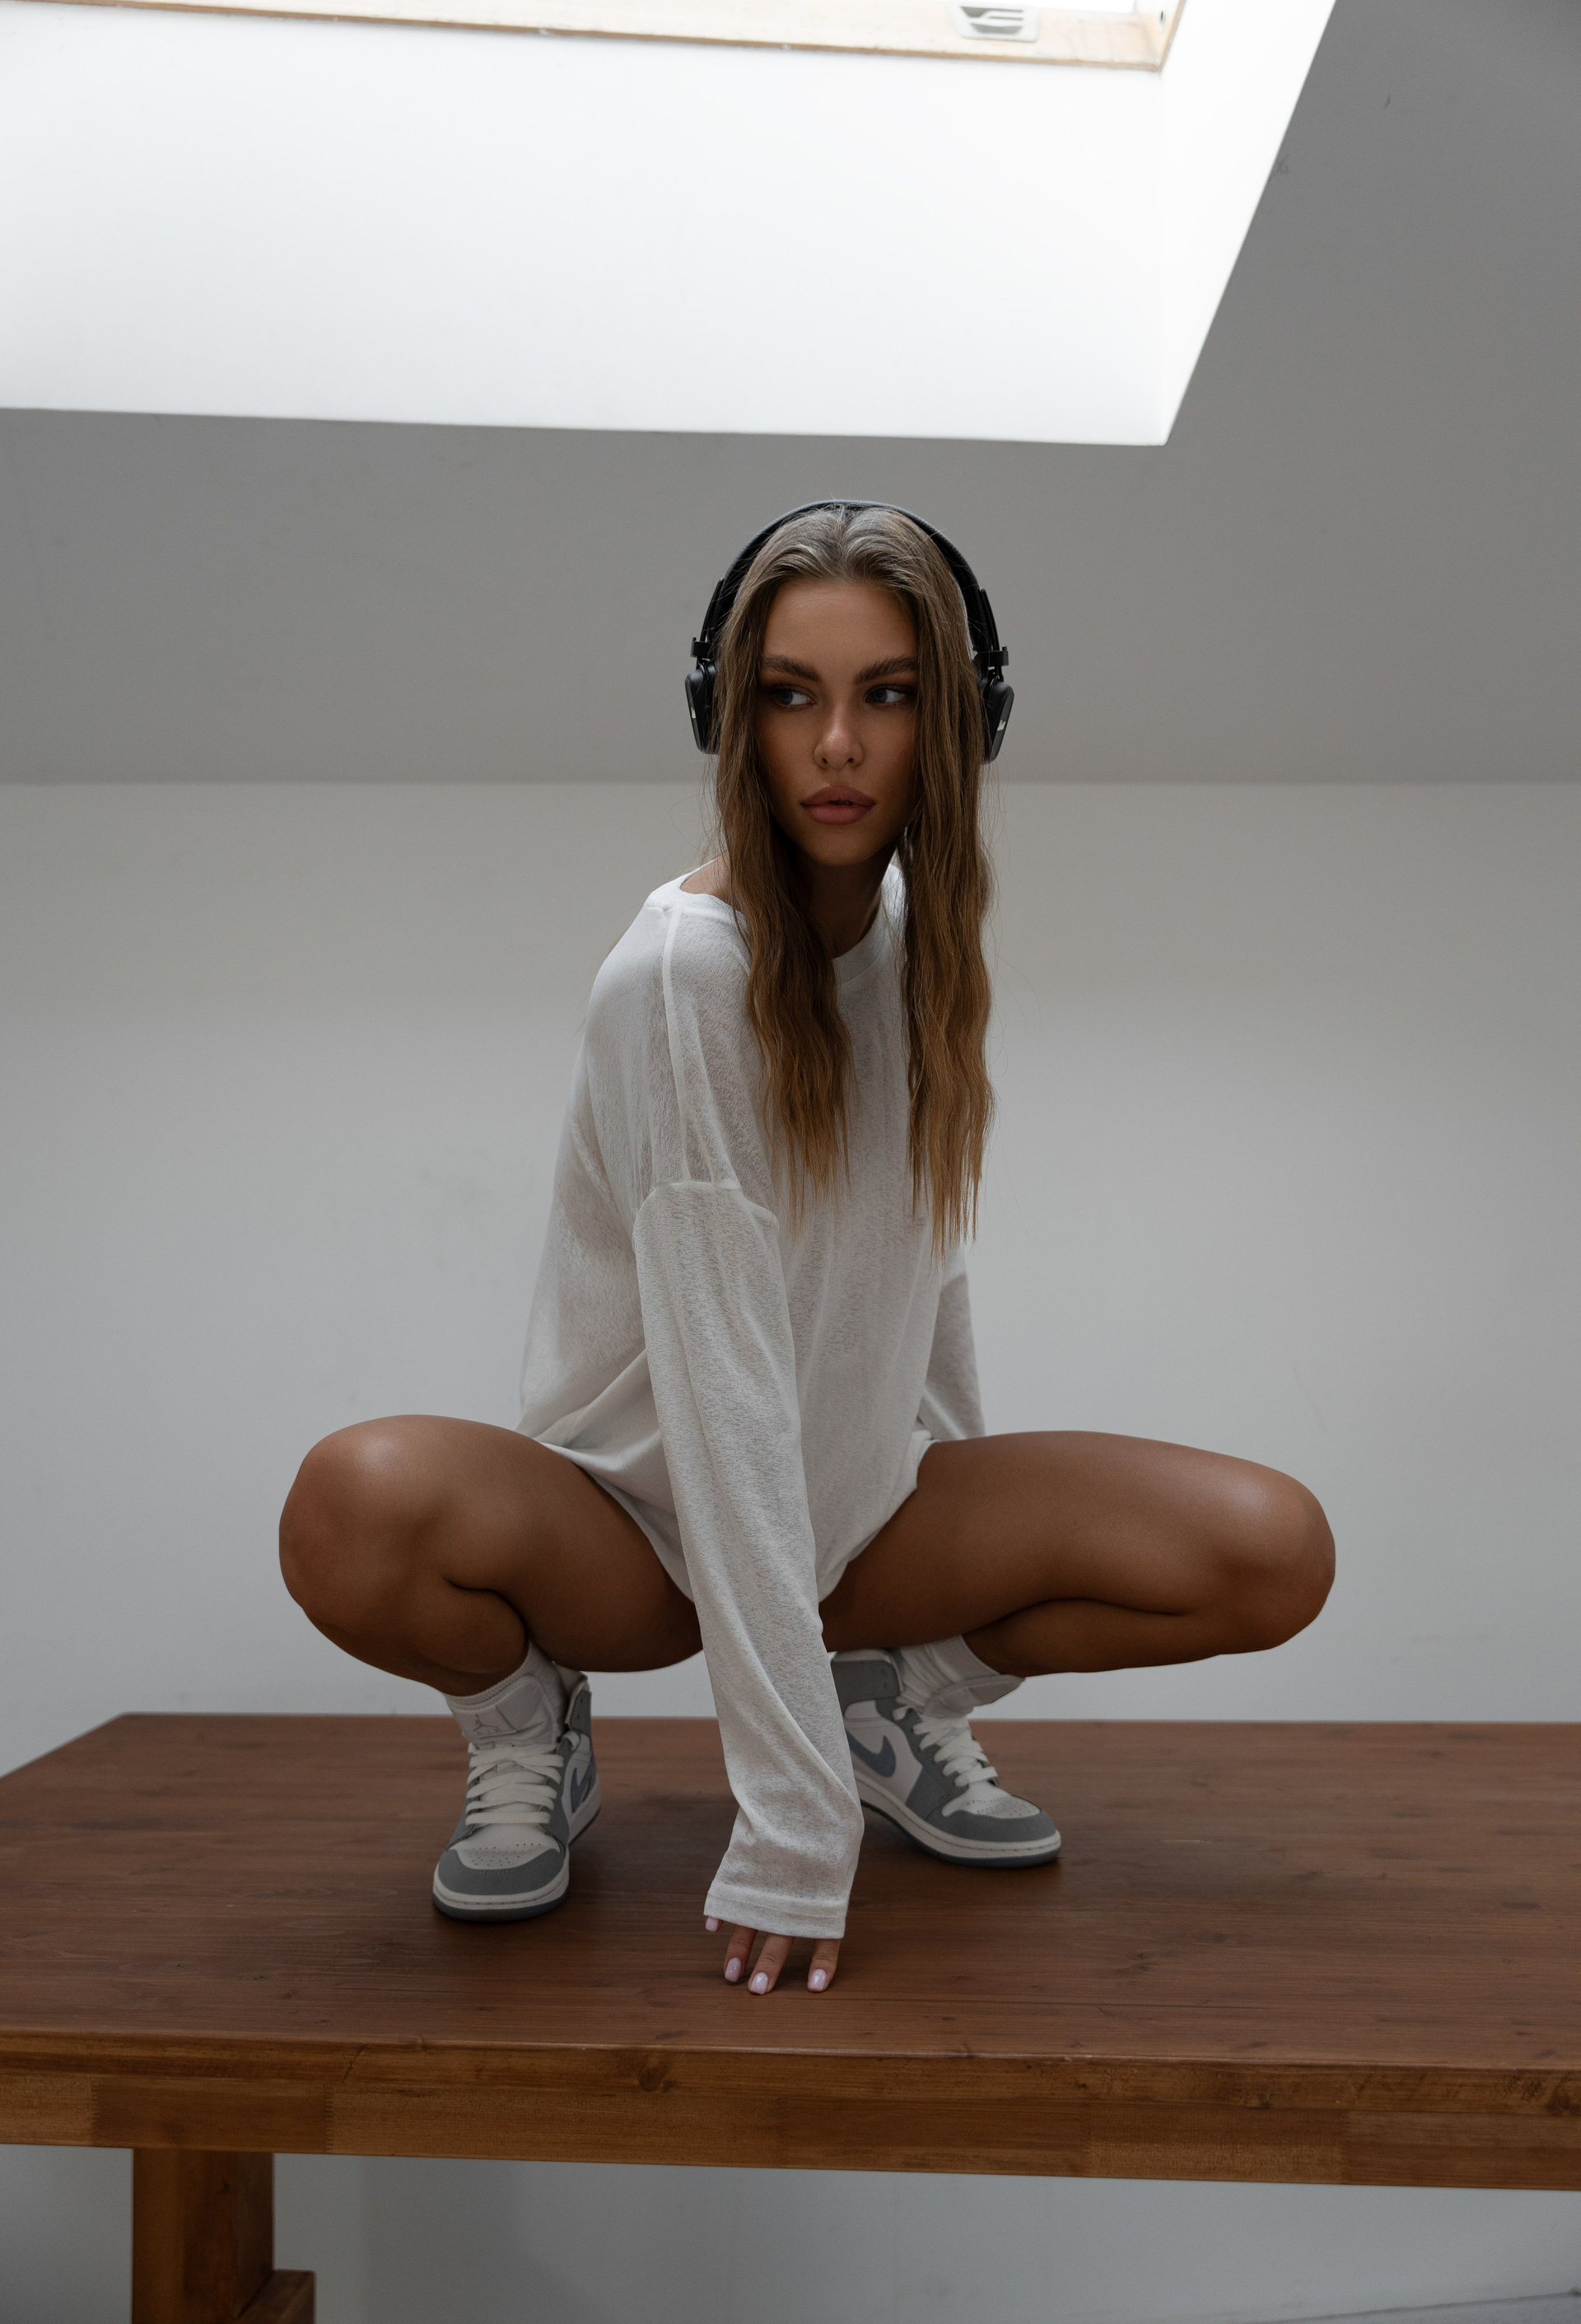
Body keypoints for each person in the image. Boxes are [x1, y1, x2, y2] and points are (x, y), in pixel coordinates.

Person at [279, 502, 1334, 2001]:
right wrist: (792, 1826)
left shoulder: (916, 933)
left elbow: (925, 1268)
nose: (837, 744)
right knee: (353, 1507)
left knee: (1271, 1550)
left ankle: (891, 1711)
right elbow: (719, 1394)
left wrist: (950, 1606)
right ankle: (524, 1727)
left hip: (854, 1513)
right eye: (790, 695)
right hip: (634, 1528)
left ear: (956, 722)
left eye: (886, 695)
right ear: (733, 719)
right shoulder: (679, 976)